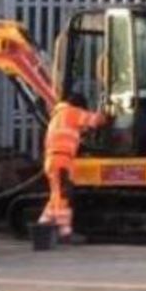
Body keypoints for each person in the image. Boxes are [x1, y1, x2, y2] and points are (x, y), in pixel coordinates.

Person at [40, 92, 107, 242]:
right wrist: (106, 114)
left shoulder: (58, 117)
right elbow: (96, 120)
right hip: (62, 160)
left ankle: (42, 226)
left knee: (56, 196)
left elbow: (78, 131)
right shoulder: (71, 112)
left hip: (53, 159)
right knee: (64, 195)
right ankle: (65, 233)